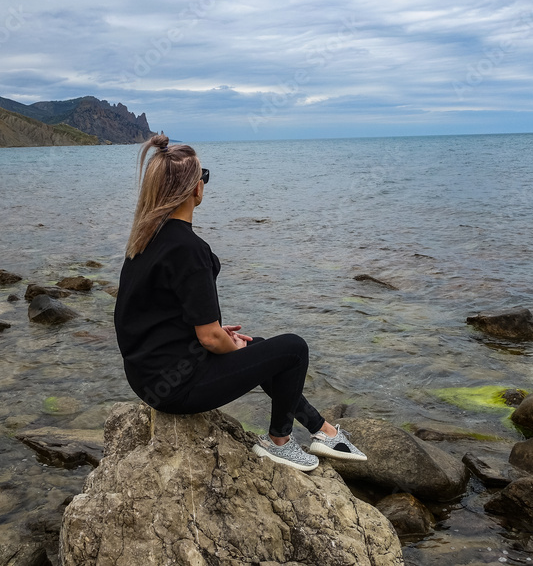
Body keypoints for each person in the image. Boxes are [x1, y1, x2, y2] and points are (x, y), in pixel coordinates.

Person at [113, 134, 366, 472]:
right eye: (204, 176)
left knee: (259, 347)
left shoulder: (144, 241)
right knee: (293, 349)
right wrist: (220, 341)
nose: (204, 183)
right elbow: (208, 338)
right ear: (194, 189)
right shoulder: (189, 250)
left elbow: (152, 317)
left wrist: (218, 338)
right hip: (176, 388)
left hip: (148, 379)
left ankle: (323, 431)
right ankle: (279, 442)